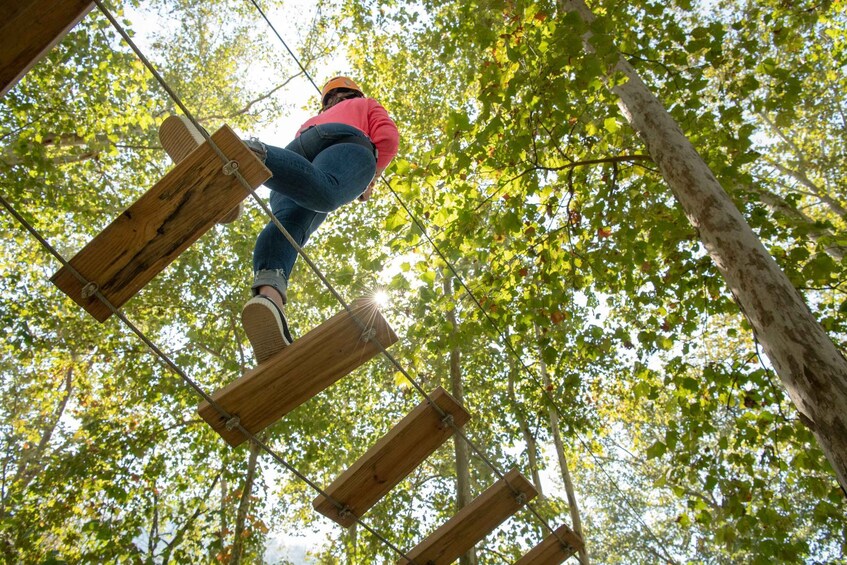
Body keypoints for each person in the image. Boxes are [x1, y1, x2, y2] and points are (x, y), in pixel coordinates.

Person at [162, 76, 399, 364]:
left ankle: (268, 300)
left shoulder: (316, 118)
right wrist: (371, 176)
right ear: (354, 93)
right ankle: (233, 152)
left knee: (287, 227)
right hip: (347, 143)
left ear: (329, 100)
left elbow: (305, 158)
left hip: (296, 150)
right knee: (328, 192)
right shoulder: (366, 104)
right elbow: (387, 137)